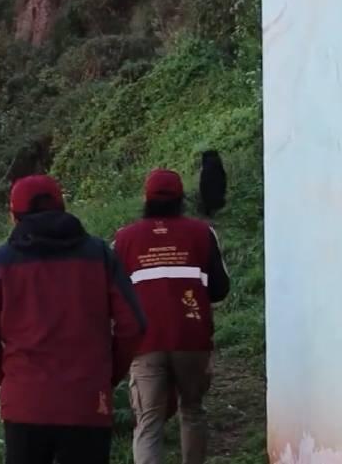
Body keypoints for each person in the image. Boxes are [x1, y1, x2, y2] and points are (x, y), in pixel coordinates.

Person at [0, 174, 147, 464]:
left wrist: (12, 380)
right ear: (63, 207)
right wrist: (106, 375)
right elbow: (134, 326)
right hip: (87, 401)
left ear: (14, 216)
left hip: (25, 403)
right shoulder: (99, 254)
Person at [112, 169, 230, 464]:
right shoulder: (202, 233)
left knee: (148, 421)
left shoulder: (124, 239)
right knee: (192, 410)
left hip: (144, 341)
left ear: (145, 199)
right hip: (192, 338)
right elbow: (220, 288)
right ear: (181, 198)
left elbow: (112, 294)